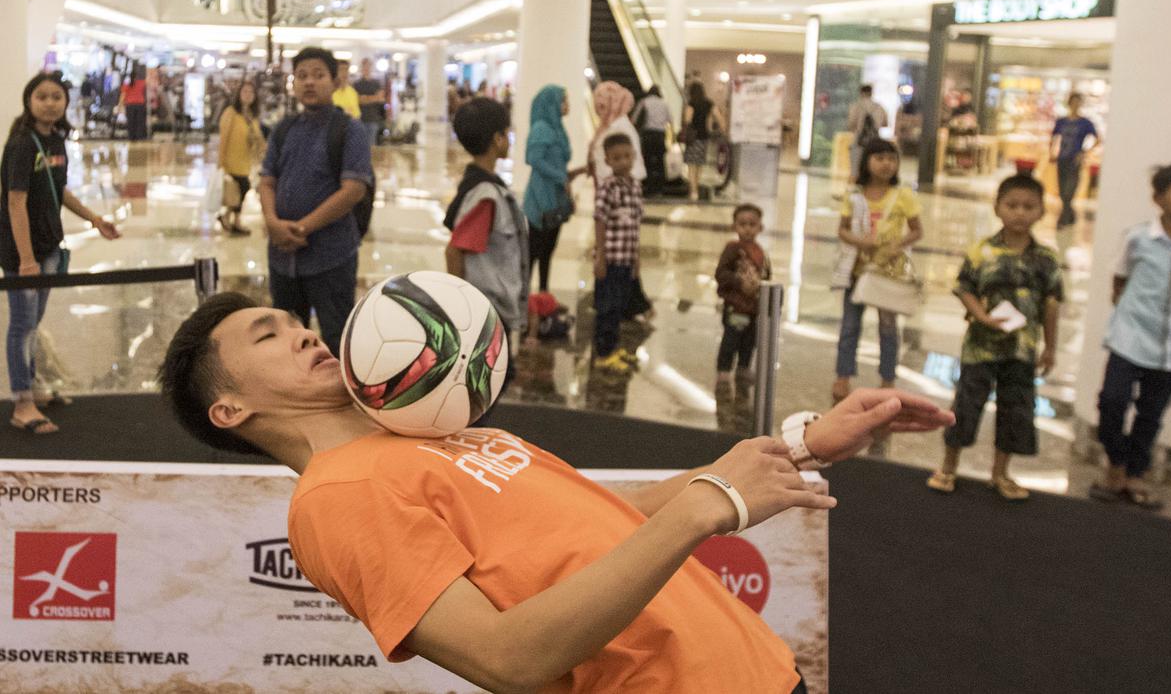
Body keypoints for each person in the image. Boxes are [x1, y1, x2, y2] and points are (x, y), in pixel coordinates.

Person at [158, 289, 954, 694]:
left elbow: (602, 521)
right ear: (230, 409)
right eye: (267, 334)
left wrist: (802, 444)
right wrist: (704, 507)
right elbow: (507, 659)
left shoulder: (426, 427)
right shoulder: (336, 497)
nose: (303, 331)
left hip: (756, 672)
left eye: (292, 319)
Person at [927, 174, 1063, 501]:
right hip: (980, 347)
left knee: (1016, 410)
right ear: (997, 207)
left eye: (1028, 206)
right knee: (966, 405)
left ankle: (1000, 473)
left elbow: (1052, 304)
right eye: (1012, 205)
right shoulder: (982, 251)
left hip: (1022, 349)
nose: (1020, 213)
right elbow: (964, 288)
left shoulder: (1047, 259)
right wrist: (981, 316)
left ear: (1041, 211)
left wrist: (1050, 347)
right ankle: (948, 466)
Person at [2, 72, 120, 434]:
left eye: (57, 97)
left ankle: (32, 387)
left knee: (32, 324)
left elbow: (61, 190)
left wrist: (94, 219)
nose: (50, 103)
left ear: (66, 102)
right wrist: (26, 259)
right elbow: (15, 203)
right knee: (22, 326)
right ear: (29, 100)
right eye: (42, 96)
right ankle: (22, 403)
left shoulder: (55, 140)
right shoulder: (22, 144)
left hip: (49, 247)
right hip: (24, 252)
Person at [1089, 164, 1171, 510]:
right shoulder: (1137, 238)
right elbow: (1119, 278)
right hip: (1129, 338)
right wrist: (1129, 314)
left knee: (1151, 414)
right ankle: (1115, 463)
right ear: (1158, 198)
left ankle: (1135, 474)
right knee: (1112, 402)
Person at [259, 47, 373, 357]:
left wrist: (302, 228)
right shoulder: (284, 129)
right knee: (287, 342)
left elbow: (353, 190)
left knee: (337, 339)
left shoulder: (349, 130)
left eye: (319, 75)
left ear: (335, 82)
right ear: (294, 84)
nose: (309, 82)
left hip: (331, 256)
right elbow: (267, 180)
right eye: (302, 76)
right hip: (282, 258)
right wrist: (272, 223)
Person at [831, 139, 922, 404]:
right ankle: (843, 375)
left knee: (888, 327)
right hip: (856, 270)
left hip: (887, 273)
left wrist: (897, 245)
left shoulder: (903, 195)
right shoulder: (854, 194)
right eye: (879, 158)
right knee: (850, 325)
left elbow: (917, 230)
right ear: (867, 162)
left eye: (891, 159)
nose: (886, 164)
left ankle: (888, 378)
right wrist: (861, 242)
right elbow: (842, 229)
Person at [443, 97, 529, 356]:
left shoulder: (486, 186)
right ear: (497, 139)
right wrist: (461, 312)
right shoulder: (486, 196)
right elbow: (455, 251)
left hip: (491, 311)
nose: (509, 139)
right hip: (487, 315)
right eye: (507, 133)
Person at [521, 85, 585, 293]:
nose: (567, 105)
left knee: (547, 250)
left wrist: (574, 173)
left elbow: (557, 164)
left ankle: (543, 294)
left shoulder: (557, 128)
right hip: (541, 197)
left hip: (556, 196)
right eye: (563, 100)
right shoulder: (542, 128)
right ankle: (524, 297)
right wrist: (561, 177)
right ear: (551, 103)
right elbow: (534, 159)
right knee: (534, 250)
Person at [592, 133, 643, 373]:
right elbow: (600, 220)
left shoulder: (635, 186)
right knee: (607, 307)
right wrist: (600, 257)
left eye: (626, 156)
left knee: (620, 306)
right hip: (611, 258)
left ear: (633, 156)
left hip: (626, 258)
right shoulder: (608, 186)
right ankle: (603, 353)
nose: (623, 162)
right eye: (616, 158)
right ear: (608, 161)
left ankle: (613, 347)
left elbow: (636, 224)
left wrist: (636, 258)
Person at [715, 204, 771, 383]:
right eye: (742, 224)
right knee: (731, 339)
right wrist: (740, 282)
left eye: (752, 224)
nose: (747, 229)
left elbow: (765, 275)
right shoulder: (732, 249)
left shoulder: (760, 251)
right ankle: (724, 370)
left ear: (760, 227)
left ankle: (743, 367)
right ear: (734, 227)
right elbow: (721, 273)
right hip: (735, 306)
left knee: (749, 340)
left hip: (753, 307)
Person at [1049, 92, 1099, 250]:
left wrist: (1084, 152)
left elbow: (1097, 138)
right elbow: (1054, 137)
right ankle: (1070, 215)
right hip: (1062, 159)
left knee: (1069, 190)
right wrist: (1052, 152)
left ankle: (1063, 219)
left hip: (1074, 160)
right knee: (1062, 189)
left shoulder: (1085, 123)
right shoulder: (1062, 121)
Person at [216, 80, 262, 236]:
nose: (248, 95)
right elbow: (224, 137)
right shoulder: (231, 113)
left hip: (245, 161)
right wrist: (221, 162)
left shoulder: (251, 116)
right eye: (245, 92)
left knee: (241, 190)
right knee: (242, 188)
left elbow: (257, 137)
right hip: (231, 160)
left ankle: (230, 218)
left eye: (251, 92)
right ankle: (232, 219)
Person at [590, 81, 646, 185]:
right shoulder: (607, 126)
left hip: (619, 184)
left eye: (603, 105)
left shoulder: (620, 126)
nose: (599, 108)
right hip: (608, 183)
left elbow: (624, 158)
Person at [682, 82, 725, 202]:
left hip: (692, 138)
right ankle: (696, 187)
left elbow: (687, 120)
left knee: (691, 165)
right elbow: (718, 117)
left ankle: (693, 191)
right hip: (704, 138)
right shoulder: (708, 103)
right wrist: (722, 129)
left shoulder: (691, 104)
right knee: (699, 164)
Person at [632, 85, 671, 196]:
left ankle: (649, 186)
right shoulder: (664, 104)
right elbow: (670, 120)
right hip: (660, 135)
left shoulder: (644, 102)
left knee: (648, 160)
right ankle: (660, 188)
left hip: (648, 134)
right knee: (660, 161)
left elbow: (635, 119)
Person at [846, 84, 887, 184]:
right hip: (875, 141)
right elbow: (885, 123)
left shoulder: (856, 106)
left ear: (861, 93)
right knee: (872, 165)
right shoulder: (879, 107)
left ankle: (854, 187)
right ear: (871, 93)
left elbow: (851, 124)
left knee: (855, 168)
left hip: (859, 141)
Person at [354, 58, 387, 146]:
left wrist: (366, 98)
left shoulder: (376, 83)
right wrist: (374, 98)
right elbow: (358, 100)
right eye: (364, 66)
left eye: (368, 66)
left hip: (373, 119)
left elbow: (380, 98)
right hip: (360, 119)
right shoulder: (357, 84)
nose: (366, 68)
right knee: (360, 145)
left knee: (371, 146)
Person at [120, 64, 148, 141]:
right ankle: (139, 137)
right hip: (140, 104)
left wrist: (120, 105)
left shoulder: (126, 83)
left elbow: (123, 94)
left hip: (130, 105)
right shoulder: (141, 82)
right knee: (139, 122)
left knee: (131, 122)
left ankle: (131, 137)